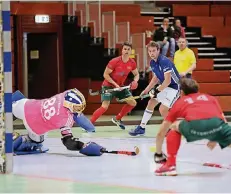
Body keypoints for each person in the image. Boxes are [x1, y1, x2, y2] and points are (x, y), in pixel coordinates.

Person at [154, 78, 231, 176]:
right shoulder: (210, 98)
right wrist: (215, 138)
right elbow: (223, 119)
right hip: (217, 125)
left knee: (174, 126)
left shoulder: (181, 102)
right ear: (197, 89)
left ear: (181, 92)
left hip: (195, 126)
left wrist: (158, 154)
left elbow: (161, 132)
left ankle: (170, 165)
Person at [12, 89, 104, 156]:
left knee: (16, 101)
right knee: (36, 143)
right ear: (69, 105)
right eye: (77, 108)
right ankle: (16, 140)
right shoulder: (65, 119)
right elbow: (69, 143)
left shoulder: (64, 95)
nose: (79, 110)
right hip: (33, 126)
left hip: (26, 106)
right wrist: (83, 146)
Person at [129, 41, 180, 136]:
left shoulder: (164, 61)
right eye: (150, 51)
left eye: (153, 51)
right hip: (165, 86)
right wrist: (146, 90)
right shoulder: (152, 62)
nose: (151, 53)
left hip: (174, 88)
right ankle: (141, 127)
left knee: (162, 109)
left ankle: (172, 129)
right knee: (151, 102)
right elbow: (155, 78)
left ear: (158, 51)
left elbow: (168, 81)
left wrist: (156, 90)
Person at [90, 42, 139, 129]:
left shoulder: (132, 63)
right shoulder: (114, 61)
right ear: (122, 50)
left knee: (132, 103)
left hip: (121, 86)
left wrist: (135, 81)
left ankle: (117, 119)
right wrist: (115, 85)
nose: (126, 51)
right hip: (108, 86)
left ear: (131, 51)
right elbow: (105, 75)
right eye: (125, 49)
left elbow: (136, 74)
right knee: (104, 106)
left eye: (128, 49)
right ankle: (89, 124)